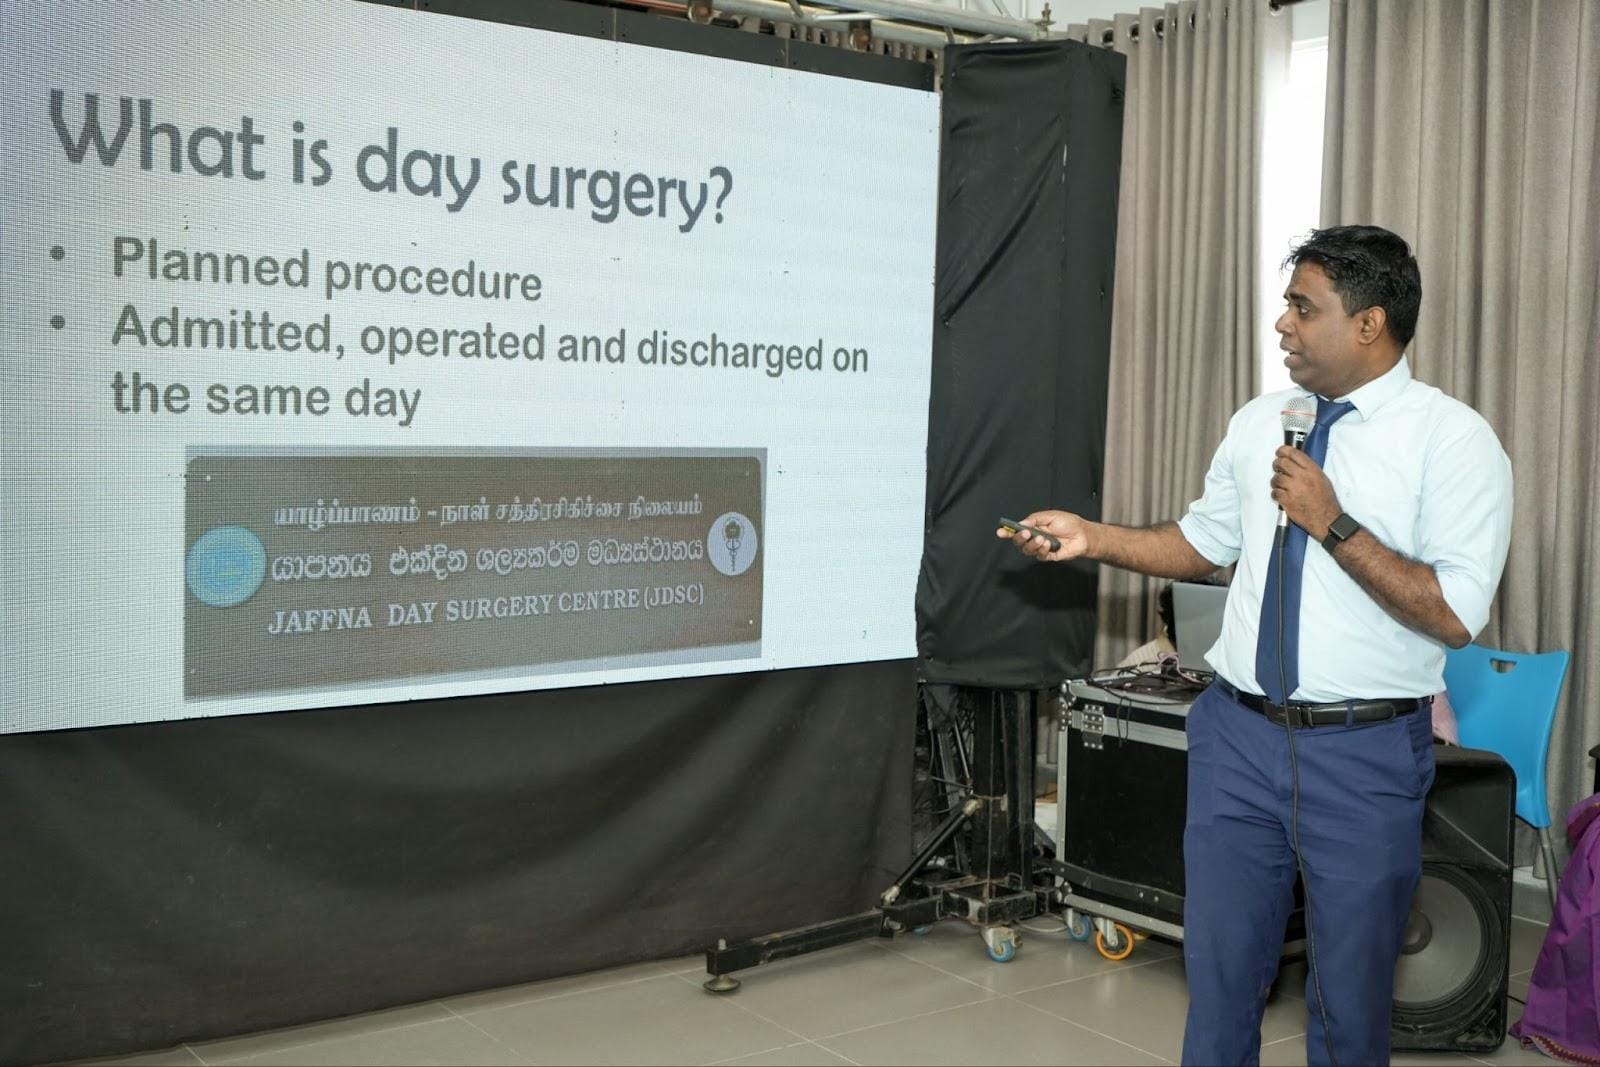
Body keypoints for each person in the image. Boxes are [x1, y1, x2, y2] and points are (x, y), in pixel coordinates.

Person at [1000, 225, 1513, 1066]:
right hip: (1236, 737)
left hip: (1365, 751)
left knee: (1349, 1008)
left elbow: (1454, 612)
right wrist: (1091, 536)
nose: (1281, 324)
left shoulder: (1453, 442)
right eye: (1286, 304)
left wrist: (1333, 521)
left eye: (1302, 307)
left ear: (1369, 324)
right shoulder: (1260, 421)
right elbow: (1203, 543)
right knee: (1220, 984)